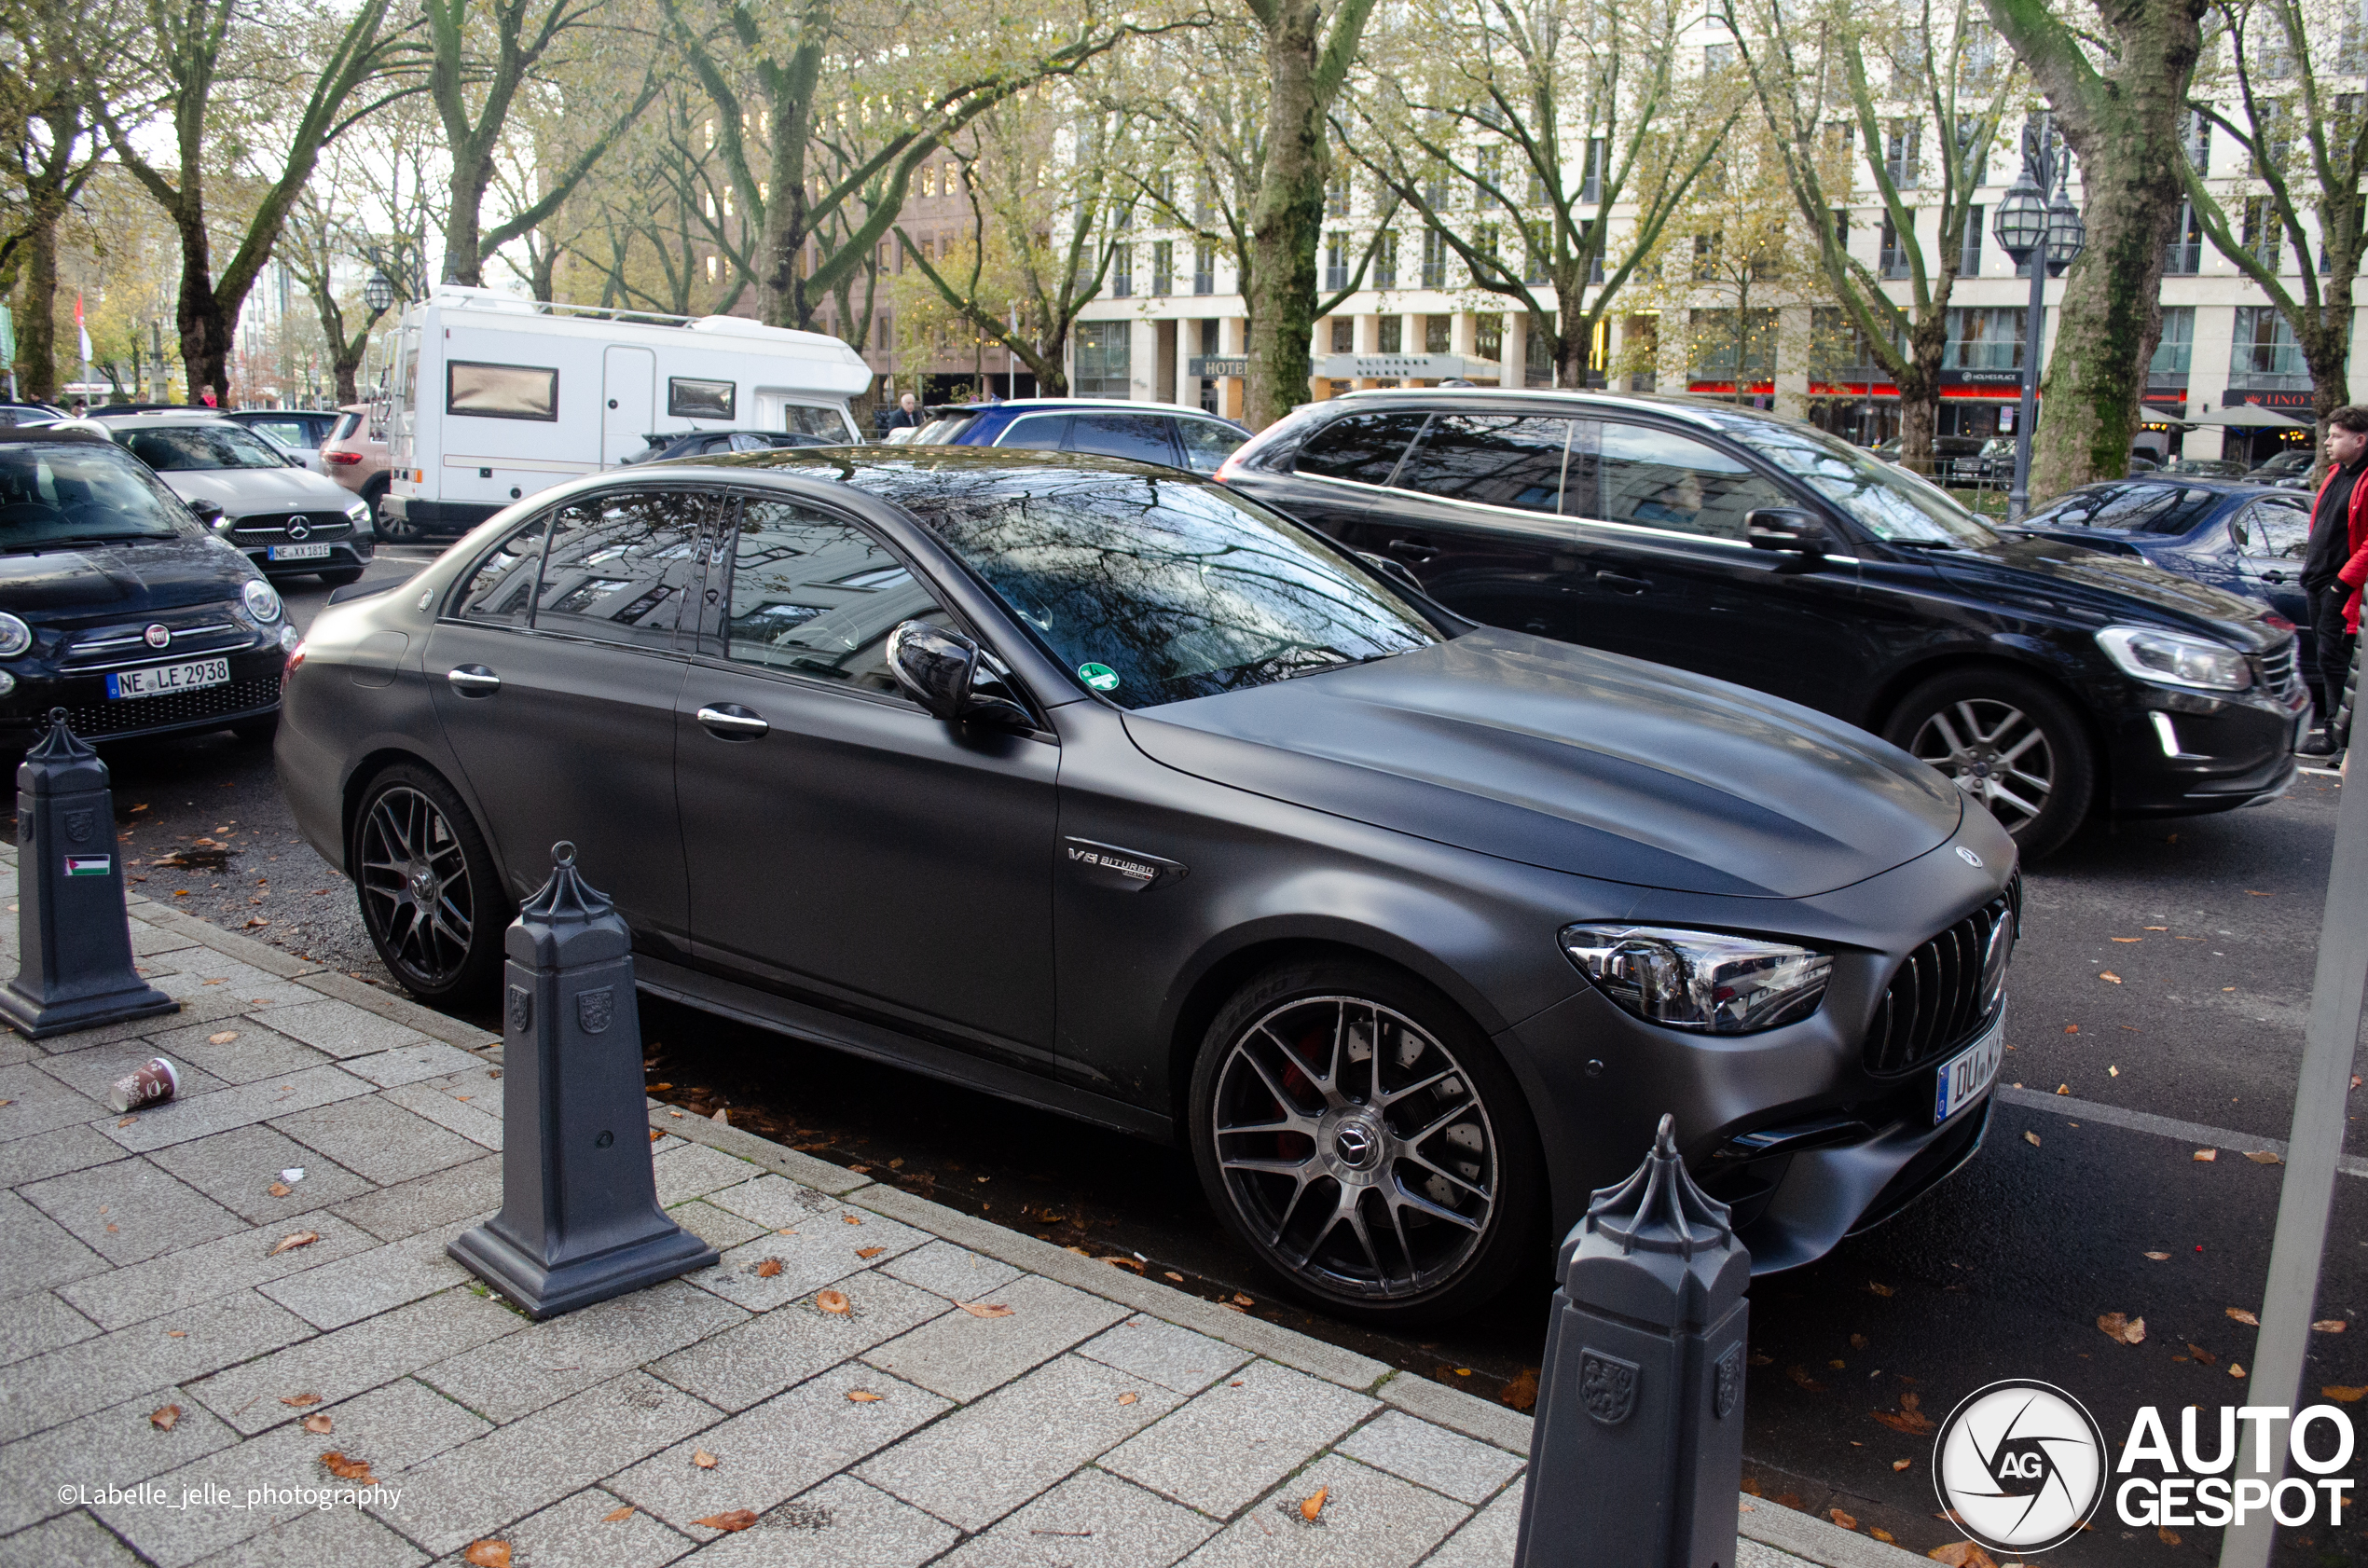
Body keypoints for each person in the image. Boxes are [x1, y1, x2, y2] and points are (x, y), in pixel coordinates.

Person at [2300, 406, 2368, 754]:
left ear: (2360, 439)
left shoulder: (2365, 479)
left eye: (2336, 436)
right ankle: (2336, 736)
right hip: (2319, 582)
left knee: (2336, 661)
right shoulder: (2335, 473)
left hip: (2340, 588)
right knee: (2328, 659)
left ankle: (2338, 738)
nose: (2327, 441)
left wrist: (2341, 583)